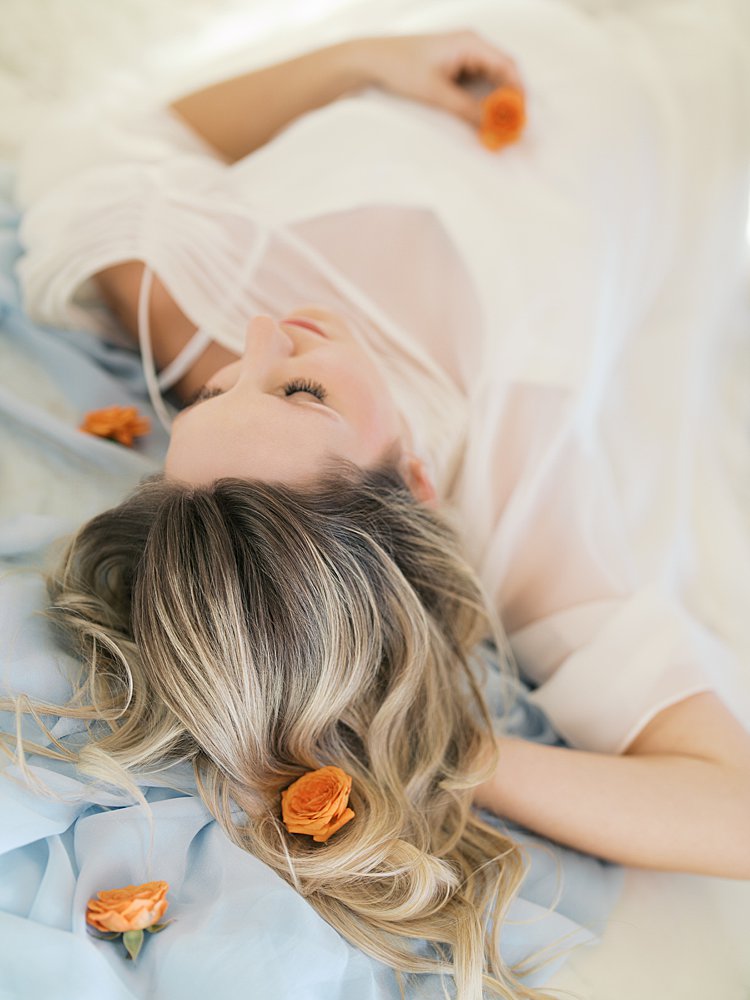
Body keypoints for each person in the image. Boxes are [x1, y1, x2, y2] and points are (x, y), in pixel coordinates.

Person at [8, 1, 750, 996]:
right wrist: (447, 754)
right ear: (414, 485)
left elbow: (130, 132)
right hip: (638, 96)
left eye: (222, 393)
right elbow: (734, 814)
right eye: (301, 391)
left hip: (432, 45)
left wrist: (363, 57)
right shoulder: (523, 477)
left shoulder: (179, 308)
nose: (266, 333)